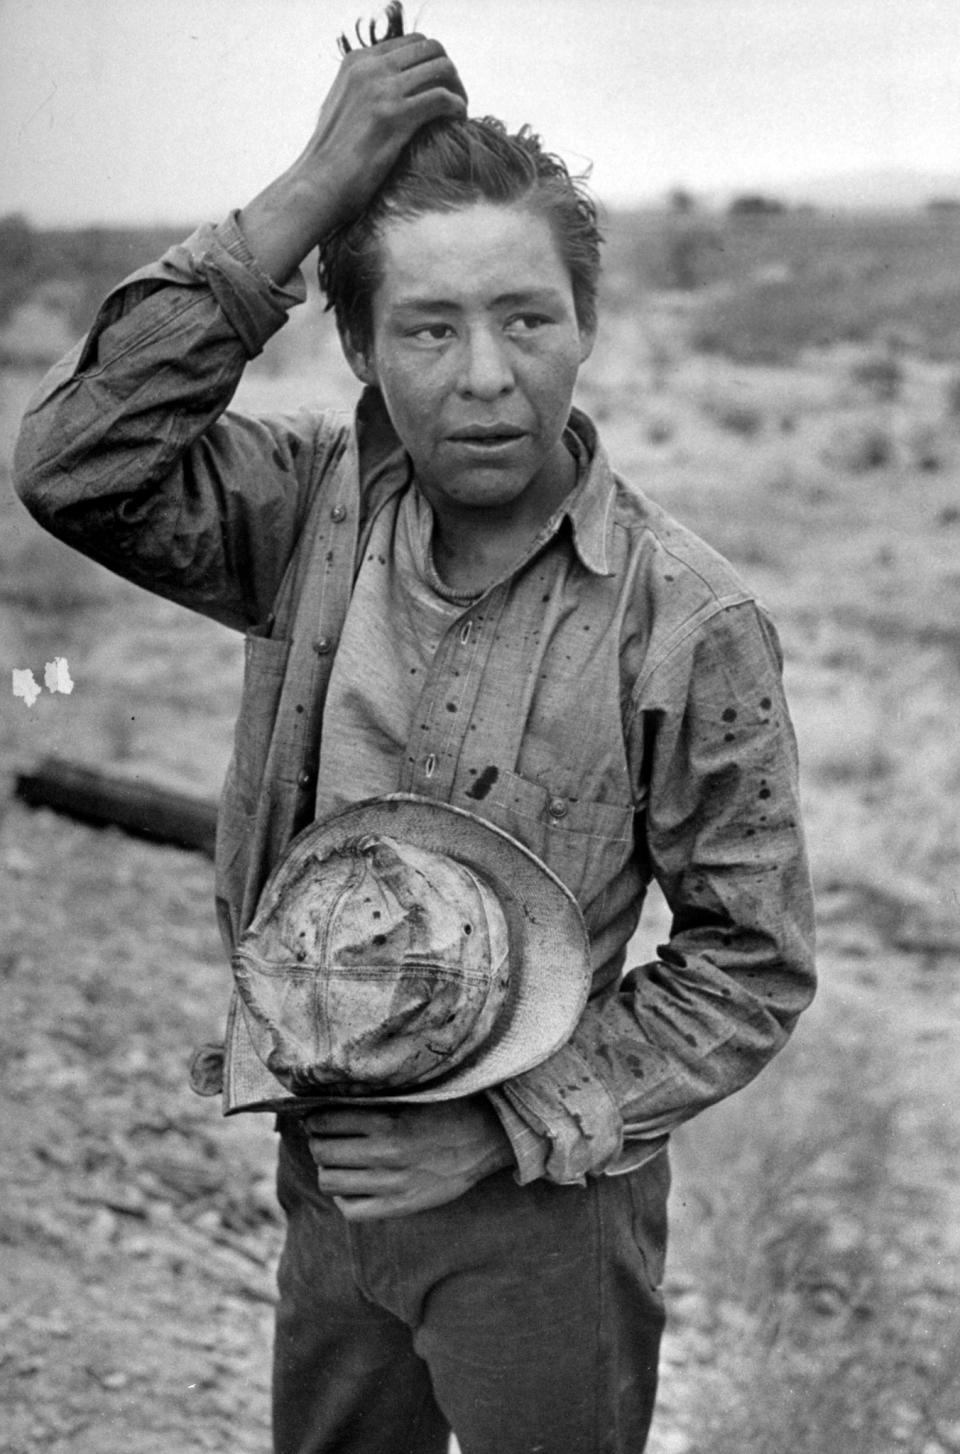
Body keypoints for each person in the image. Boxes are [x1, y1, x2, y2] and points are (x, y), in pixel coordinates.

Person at [13, 5, 816, 1451]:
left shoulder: (684, 620)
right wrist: (316, 184)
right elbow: (79, 462)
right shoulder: (304, 514)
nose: (489, 376)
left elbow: (753, 963)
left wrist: (493, 1129)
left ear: (588, 323)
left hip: (548, 1214)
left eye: (529, 318)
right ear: (365, 348)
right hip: (329, 1182)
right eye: (430, 329)